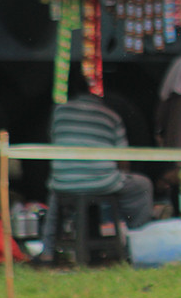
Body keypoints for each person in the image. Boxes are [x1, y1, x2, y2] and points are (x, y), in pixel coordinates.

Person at [39, 69, 153, 261]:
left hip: (63, 183)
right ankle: (135, 243)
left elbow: (53, 140)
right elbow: (123, 160)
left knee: (55, 196)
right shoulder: (111, 116)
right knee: (143, 185)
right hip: (102, 183)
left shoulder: (59, 112)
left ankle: (47, 252)